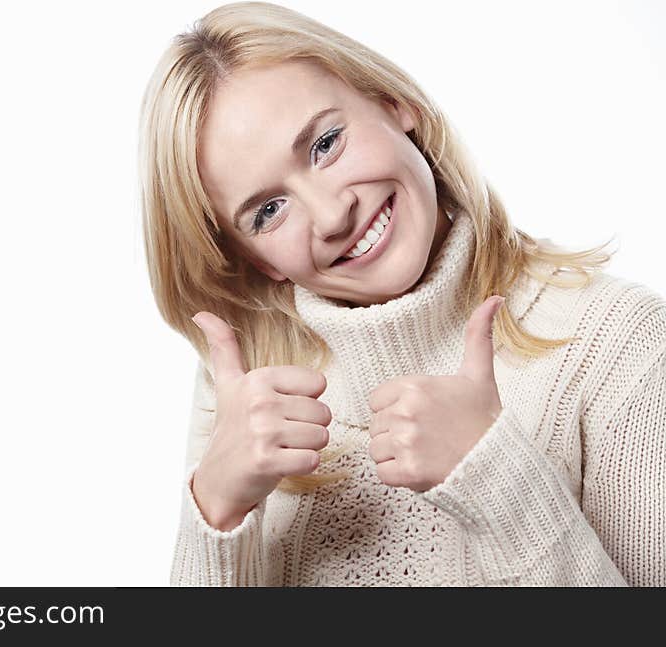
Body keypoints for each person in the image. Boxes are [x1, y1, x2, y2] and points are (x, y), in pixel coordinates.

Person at [137, 1, 665, 586]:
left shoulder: (617, 340)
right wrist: (214, 512)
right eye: (268, 211)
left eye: (325, 144)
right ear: (257, 259)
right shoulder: (250, 385)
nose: (333, 214)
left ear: (396, 102)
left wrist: (499, 481)